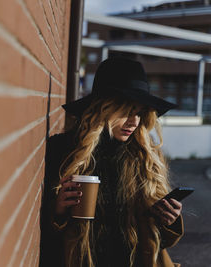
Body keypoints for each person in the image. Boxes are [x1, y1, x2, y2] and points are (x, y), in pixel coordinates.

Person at [40, 57, 184, 267]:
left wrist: (169, 220)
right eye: (127, 110)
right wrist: (59, 210)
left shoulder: (144, 156)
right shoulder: (65, 151)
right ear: (104, 107)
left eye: (139, 112)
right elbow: (50, 239)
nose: (134, 121)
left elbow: (159, 244)